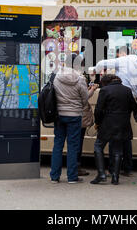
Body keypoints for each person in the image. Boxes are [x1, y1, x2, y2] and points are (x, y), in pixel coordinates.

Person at [96, 46, 137, 177]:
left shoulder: (122, 60)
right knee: (125, 137)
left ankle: (112, 169)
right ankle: (127, 167)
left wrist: (94, 70)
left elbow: (100, 64)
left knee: (114, 138)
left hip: (116, 101)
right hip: (128, 101)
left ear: (122, 54)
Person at [50, 54, 89, 184]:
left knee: (58, 145)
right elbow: (85, 98)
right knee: (73, 146)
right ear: (77, 64)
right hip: (74, 116)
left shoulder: (56, 77)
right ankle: (72, 177)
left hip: (59, 115)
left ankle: (55, 176)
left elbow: (52, 95)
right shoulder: (80, 79)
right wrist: (79, 106)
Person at [91, 74, 137, 185]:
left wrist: (98, 122)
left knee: (98, 146)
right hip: (123, 124)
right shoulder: (127, 90)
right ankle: (115, 177)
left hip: (107, 124)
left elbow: (98, 109)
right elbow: (134, 107)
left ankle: (101, 174)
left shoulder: (105, 90)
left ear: (106, 82)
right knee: (118, 150)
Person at [77, 80, 98, 176]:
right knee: (77, 143)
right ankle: (76, 167)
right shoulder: (76, 85)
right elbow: (84, 98)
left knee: (73, 142)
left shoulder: (66, 85)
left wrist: (89, 89)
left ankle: (73, 166)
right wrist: (93, 89)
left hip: (70, 117)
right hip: (79, 118)